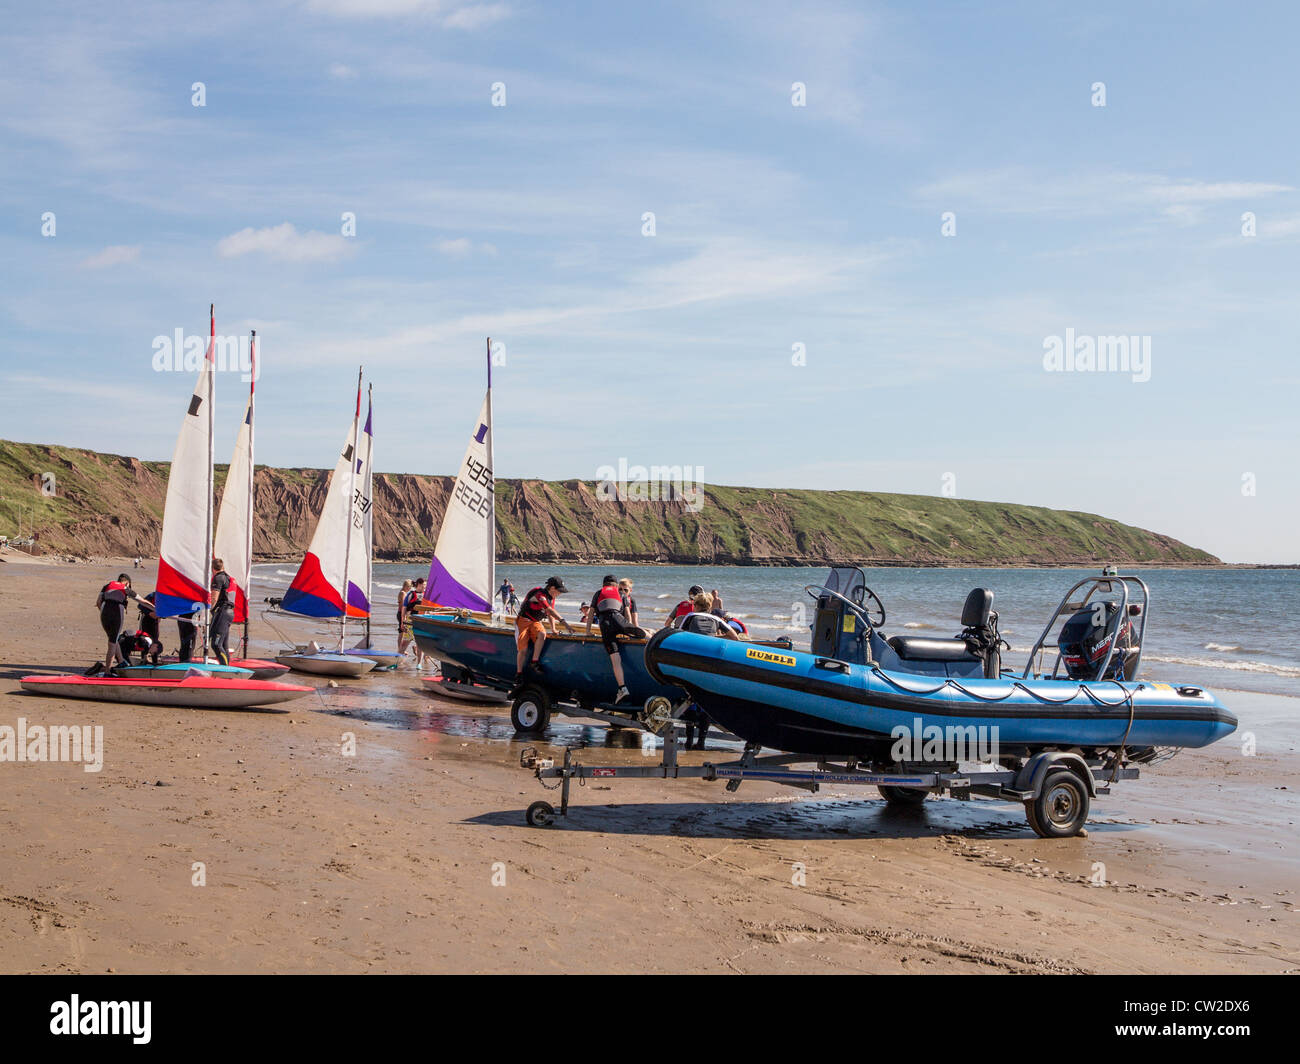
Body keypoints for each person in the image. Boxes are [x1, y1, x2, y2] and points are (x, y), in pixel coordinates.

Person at [585, 574, 631, 703]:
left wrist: (588, 631)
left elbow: (591, 614)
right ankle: (649, 639)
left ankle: (622, 688)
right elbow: (627, 613)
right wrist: (629, 628)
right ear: (616, 586)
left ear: (603, 585)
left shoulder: (598, 593)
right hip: (619, 620)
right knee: (640, 633)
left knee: (615, 659)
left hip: (605, 624)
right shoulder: (621, 594)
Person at [515, 577, 572, 679]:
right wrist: (565, 623)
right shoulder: (539, 594)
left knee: (542, 634)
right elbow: (550, 610)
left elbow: (550, 615)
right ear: (552, 588)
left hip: (535, 622)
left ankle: (534, 662)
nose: (560, 594)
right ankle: (519, 673)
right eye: (559, 591)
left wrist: (553, 629)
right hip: (523, 621)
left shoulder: (552, 598)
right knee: (523, 650)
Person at [89, 574, 143, 674]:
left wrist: (104, 612)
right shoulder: (125, 588)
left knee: (114, 638)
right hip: (116, 613)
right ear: (127, 582)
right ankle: (107, 672)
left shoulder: (107, 586)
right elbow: (143, 601)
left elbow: (98, 602)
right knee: (112, 643)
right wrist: (157, 609)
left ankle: (121, 661)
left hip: (104, 614)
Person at [209, 558, 235, 665]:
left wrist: (208, 611)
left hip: (223, 613)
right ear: (222, 567)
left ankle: (225, 668)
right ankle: (226, 667)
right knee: (224, 645)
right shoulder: (227, 577)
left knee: (216, 644)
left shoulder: (218, 578)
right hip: (229, 613)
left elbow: (214, 598)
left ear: (212, 568)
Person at [402, 578, 428, 668]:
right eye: (424, 585)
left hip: (421, 623)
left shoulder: (427, 596)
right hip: (410, 622)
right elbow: (404, 608)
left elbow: (429, 609)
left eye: (425, 585)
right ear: (419, 585)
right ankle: (396, 662)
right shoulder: (411, 594)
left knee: (420, 644)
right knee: (404, 644)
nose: (425, 586)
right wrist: (403, 620)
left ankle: (419, 664)